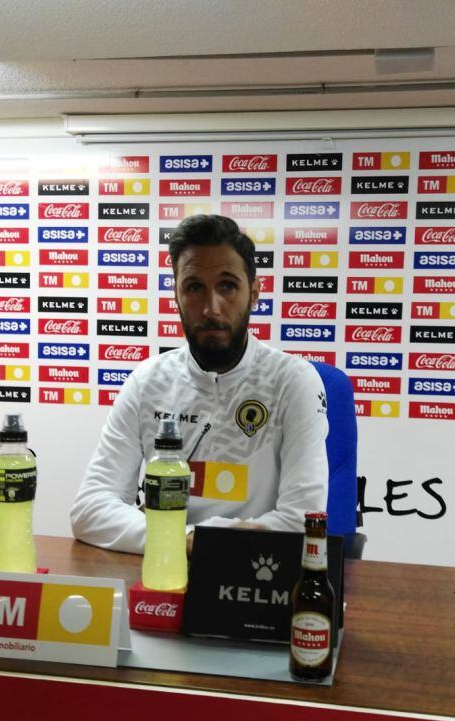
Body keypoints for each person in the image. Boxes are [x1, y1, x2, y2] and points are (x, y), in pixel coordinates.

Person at [70, 214, 328, 553]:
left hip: (254, 581)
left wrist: (193, 541)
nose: (211, 308)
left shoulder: (292, 381)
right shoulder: (147, 381)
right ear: (176, 294)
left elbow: (301, 522)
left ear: (253, 294)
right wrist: (186, 541)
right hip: (163, 571)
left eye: (227, 286)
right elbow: (90, 508)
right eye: (194, 287)